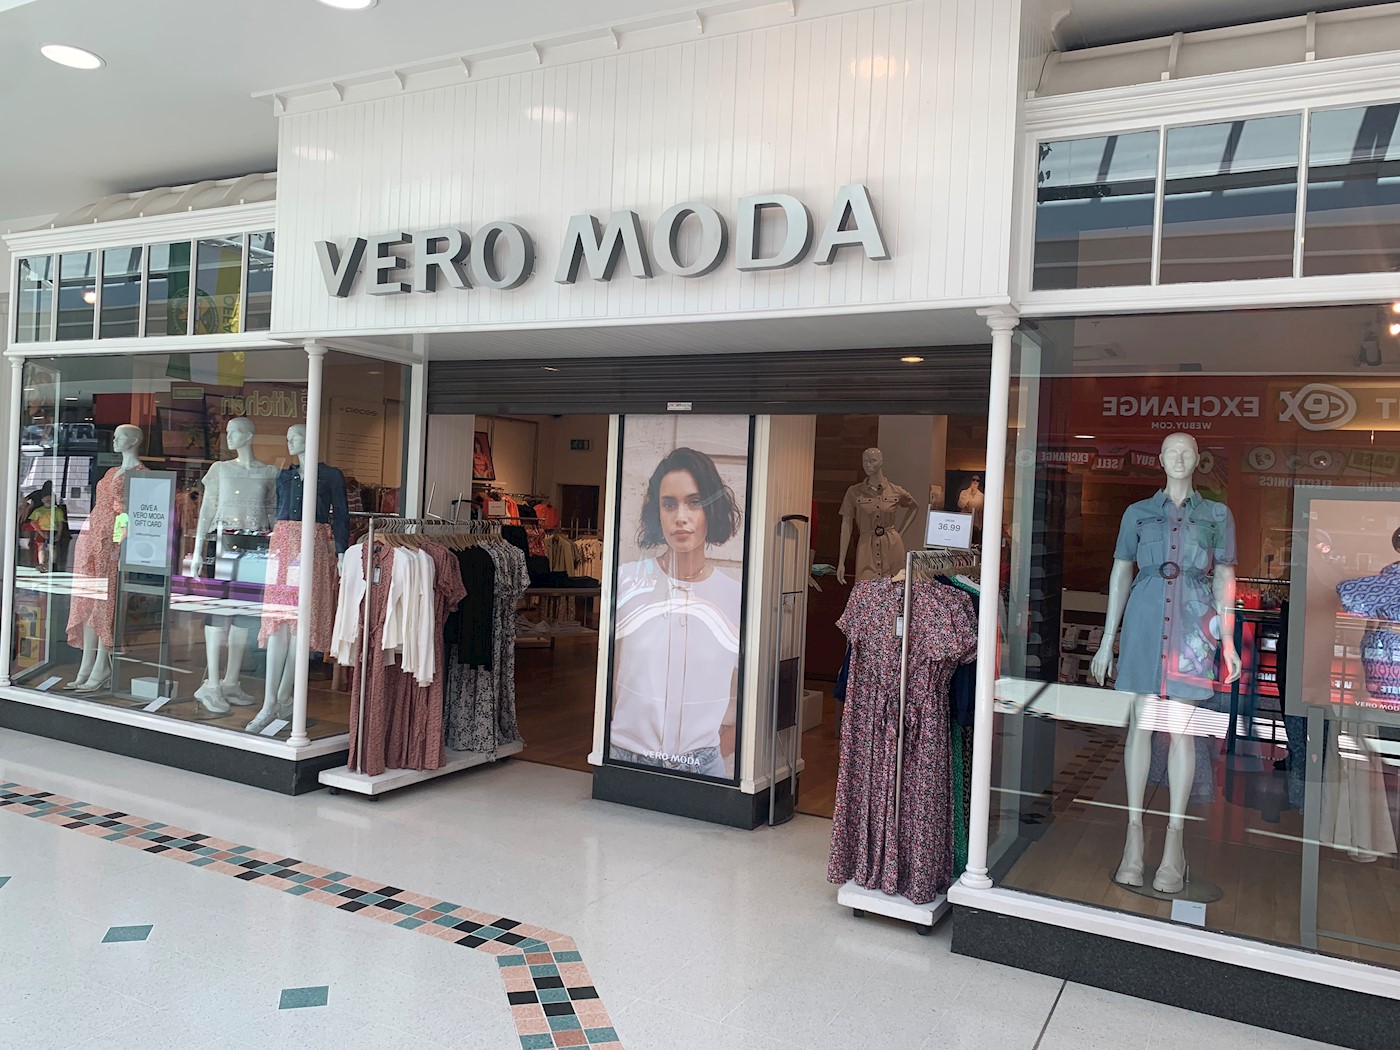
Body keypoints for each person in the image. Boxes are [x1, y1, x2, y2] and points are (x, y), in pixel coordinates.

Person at [610, 447, 743, 779]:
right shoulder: (627, 581)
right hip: (627, 758)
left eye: (694, 502)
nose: (681, 517)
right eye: (669, 504)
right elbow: (607, 674)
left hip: (702, 765)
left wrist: (714, 751)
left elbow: (750, 694)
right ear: (657, 512)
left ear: (711, 509)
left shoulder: (734, 597)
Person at [24, 488, 65, 573]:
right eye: (47, 498)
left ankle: (53, 564)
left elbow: (60, 523)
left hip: (53, 531)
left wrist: (58, 534)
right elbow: (33, 522)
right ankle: (41, 564)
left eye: (51, 498)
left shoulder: (57, 511)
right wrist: (41, 532)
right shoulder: (38, 511)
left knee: (52, 547)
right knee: (41, 547)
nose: (49, 499)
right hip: (41, 530)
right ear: (42, 500)